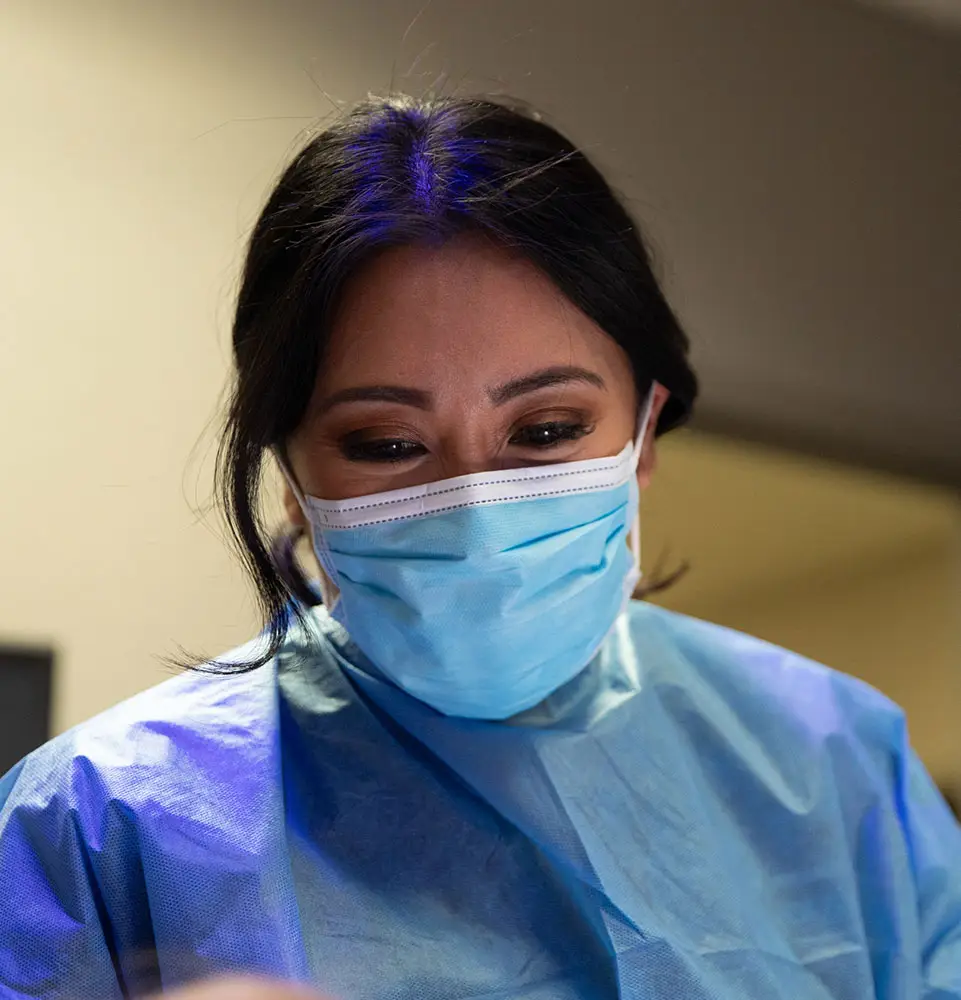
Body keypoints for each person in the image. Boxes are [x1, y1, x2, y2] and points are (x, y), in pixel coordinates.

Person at [1, 94, 959, 1000]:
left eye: (546, 431)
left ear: (644, 436)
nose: (475, 509)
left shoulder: (832, 764)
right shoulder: (101, 826)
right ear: (291, 484)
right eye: (386, 445)